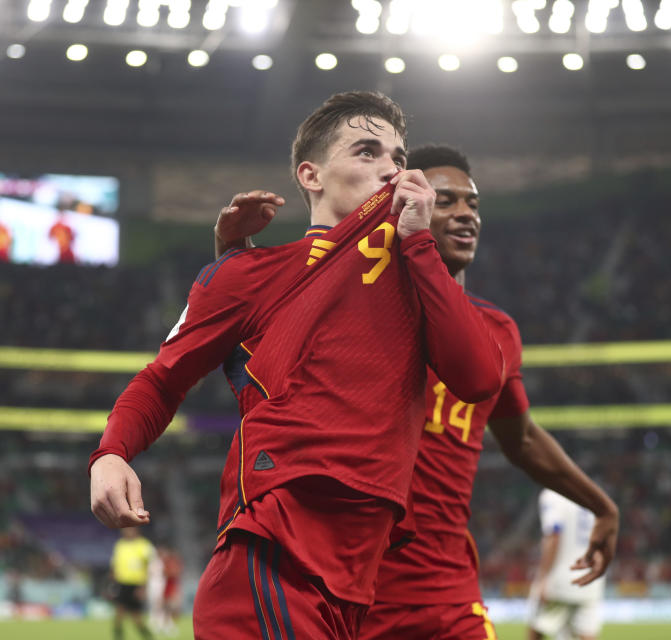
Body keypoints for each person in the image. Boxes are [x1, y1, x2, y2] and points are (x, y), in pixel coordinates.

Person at [89, 92, 505, 639]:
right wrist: (112, 452)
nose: (391, 168)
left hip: (353, 587)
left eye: (400, 158)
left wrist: (420, 245)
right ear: (311, 175)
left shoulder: (416, 269)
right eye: (366, 151)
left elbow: (478, 379)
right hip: (270, 559)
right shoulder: (244, 275)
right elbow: (162, 379)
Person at [215, 144, 619, 639]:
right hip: (348, 594)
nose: (466, 213)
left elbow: (523, 439)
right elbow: (253, 366)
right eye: (445, 200)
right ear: (408, 206)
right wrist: (232, 258)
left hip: (448, 599)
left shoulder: (496, 332)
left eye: (472, 203)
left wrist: (601, 504)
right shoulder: (352, 316)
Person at [528, 489, 608, 640]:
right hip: (590, 577)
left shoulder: (553, 494)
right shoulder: (592, 494)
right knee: (586, 634)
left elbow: (554, 534)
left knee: (536, 628)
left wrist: (543, 577)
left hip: (560, 577)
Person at [110, 527, 156, 640]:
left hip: (137, 584)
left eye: (130, 529)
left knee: (136, 616)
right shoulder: (120, 545)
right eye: (125, 529)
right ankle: (118, 636)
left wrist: (143, 587)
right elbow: (115, 564)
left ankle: (147, 635)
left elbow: (151, 566)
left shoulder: (144, 545)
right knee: (119, 613)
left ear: (136, 530)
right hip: (122, 584)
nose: (127, 532)